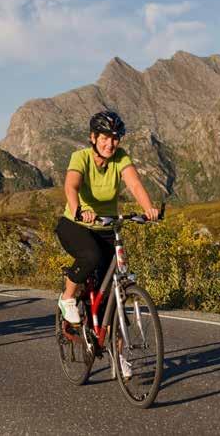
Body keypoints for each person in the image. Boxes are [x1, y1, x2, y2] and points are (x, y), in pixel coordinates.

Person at [56, 111, 159, 326]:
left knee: (109, 284)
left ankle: (117, 348)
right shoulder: (80, 157)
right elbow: (71, 186)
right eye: (104, 137)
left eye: (114, 138)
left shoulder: (121, 157)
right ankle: (67, 298)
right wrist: (79, 210)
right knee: (91, 256)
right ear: (93, 138)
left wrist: (148, 208)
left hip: (106, 226)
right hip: (75, 224)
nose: (110, 144)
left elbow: (135, 184)